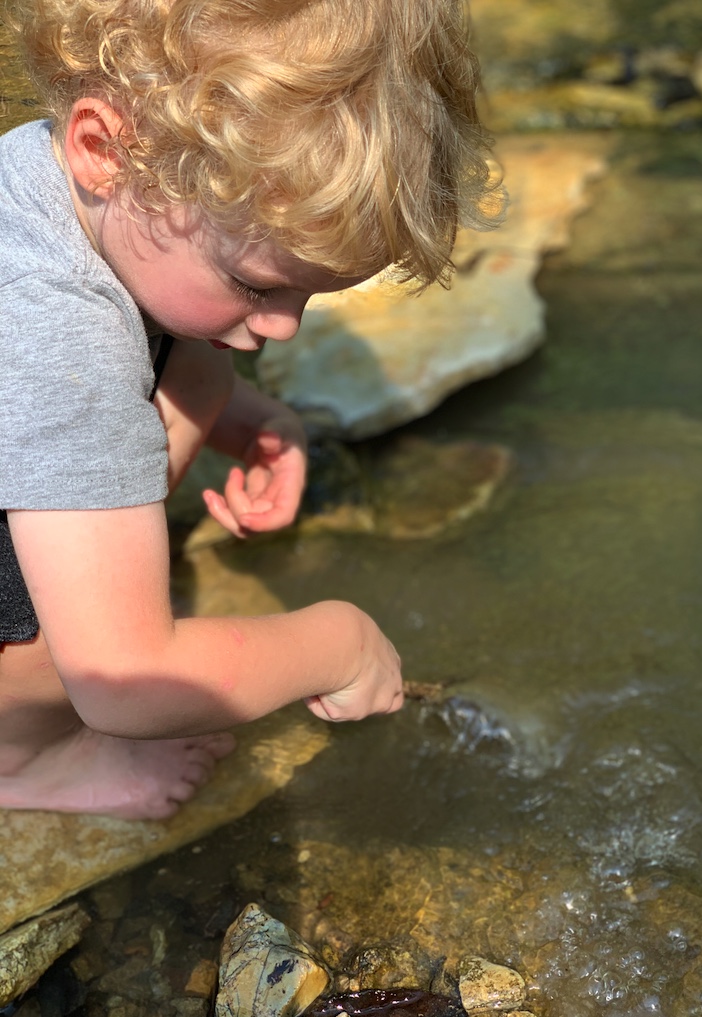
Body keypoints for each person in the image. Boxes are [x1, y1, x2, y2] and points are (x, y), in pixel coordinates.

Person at [0, 0, 503, 819]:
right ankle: (23, 759)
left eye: (307, 292)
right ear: (106, 150)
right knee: (78, 632)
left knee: (198, 360)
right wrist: (333, 643)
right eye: (257, 284)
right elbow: (122, 676)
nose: (282, 325)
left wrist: (248, 418)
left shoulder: (47, 178)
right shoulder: (48, 328)